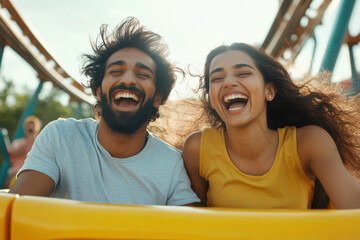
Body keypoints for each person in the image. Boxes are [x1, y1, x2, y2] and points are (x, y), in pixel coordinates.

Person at [10, 17, 199, 206]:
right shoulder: (60, 136)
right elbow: (14, 213)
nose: (128, 80)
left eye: (142, 74)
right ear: (99, 91)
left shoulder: (172, 164)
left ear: (157, 98)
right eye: (116, 71)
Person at [182, 42, 360, 209]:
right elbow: (193, 221)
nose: (228, 82)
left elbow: (354, 209)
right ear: (212, 100)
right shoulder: (198, 149)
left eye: (243, 73)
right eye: (217, 78)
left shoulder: (309, 143)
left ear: (270, 91)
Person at [4, 116, 42, 188]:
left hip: (33, 176)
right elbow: (16, 153)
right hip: (16, 174)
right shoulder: (17, 142)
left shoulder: (41, 144)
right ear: (25, 128)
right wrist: (29, 141)